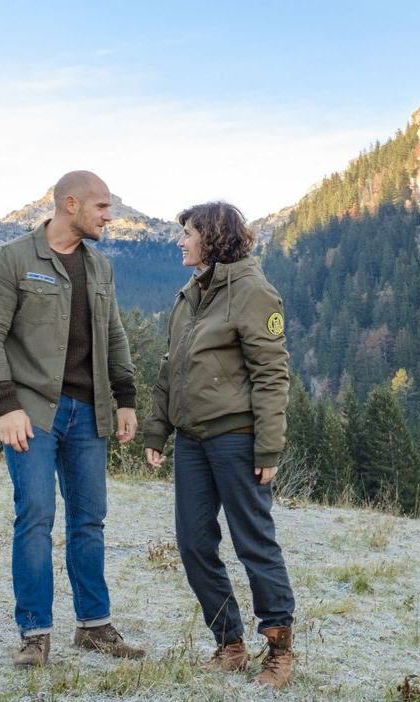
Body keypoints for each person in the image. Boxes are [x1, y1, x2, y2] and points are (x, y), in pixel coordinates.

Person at [0, 170, 144, 667]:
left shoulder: (100, 266)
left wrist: (125, 397)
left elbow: (115, 335)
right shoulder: (14, 259)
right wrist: (5, 405)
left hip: (89, 415)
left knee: (89, 521)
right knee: (36, 517)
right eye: (103, 208)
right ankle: (34, 635)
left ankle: (93, 627)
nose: (110, 216)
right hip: (31, 413)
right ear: (71, 204)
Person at [143, 202, 295, 689]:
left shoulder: (252, 292)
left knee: (253, 542)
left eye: (187, 232)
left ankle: (278, 649)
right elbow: (172, 369)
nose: (180, 240)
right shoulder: (191, 294)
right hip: (191, 441)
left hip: (236, 439)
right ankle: (229, 643)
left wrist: (268, 447)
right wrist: (157, 430)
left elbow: (272, 374)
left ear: (211, 237)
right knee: (192, 543)